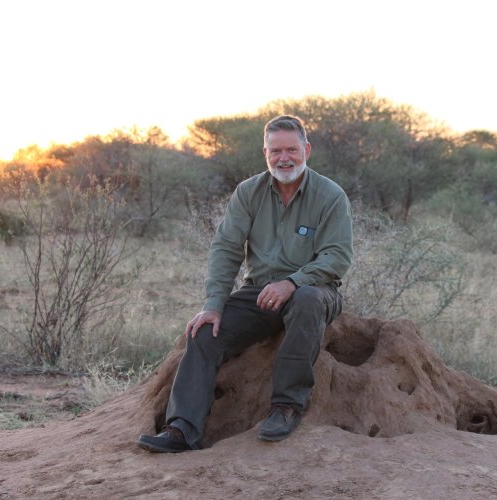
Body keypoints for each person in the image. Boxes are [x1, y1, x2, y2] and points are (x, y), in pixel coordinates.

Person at [137, 115, 353, 453]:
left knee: (307, 299)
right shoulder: (248, 192)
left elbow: (337, 258)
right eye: (276, 151)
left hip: (316, 289)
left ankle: (286, 406)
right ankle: (182, 430)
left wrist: (292, 283)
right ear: (265, 153)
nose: (284, 158)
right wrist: (213, 304)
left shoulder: (330, 195)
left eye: (292, 150)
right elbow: (226, 248)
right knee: (204, 333)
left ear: (306, 150)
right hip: (259, 292)